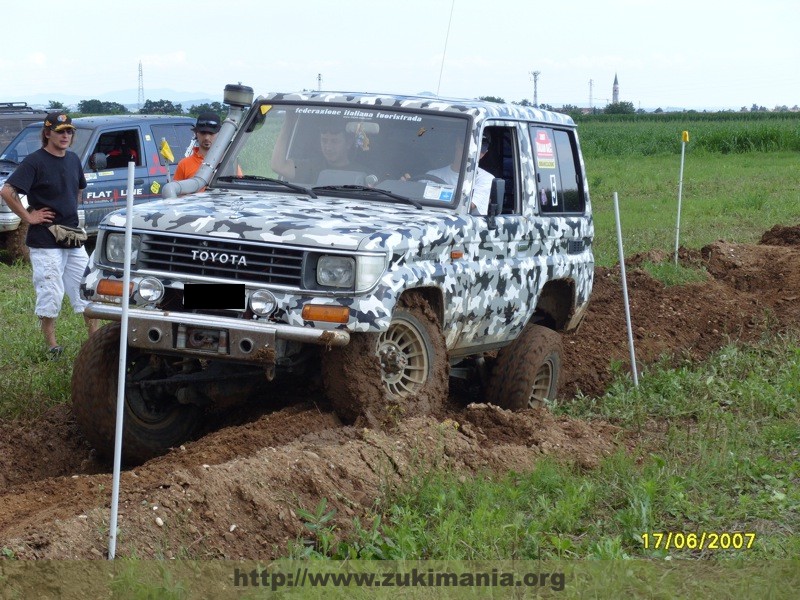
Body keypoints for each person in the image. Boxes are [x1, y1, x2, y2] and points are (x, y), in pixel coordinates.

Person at [0, 112, 99, 358]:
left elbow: (78, 189)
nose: (65, 136)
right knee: (50, 291)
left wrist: (70, 213)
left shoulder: (74, 159)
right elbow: (7, 190)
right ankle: (52, 346)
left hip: (73, 237)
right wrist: (29, 217)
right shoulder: (35, 161)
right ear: (47, 133)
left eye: (69, 132)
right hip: (45, 240)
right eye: (60, 131)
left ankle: (96, 344)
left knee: (86, 289)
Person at [270, 113, 364, 183]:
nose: (328, 147)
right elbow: (278, 166)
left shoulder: (363, 173)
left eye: (334, 141)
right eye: (324, 140)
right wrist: (288, 123)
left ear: (348, 143)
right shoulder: (311, 167)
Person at [426, 133, 493, 214]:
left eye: (478, 151)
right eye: (466, 148)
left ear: (484, 154)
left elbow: (468, 205)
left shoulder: (486, 178)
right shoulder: (431, 175)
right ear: (457, 144)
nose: (470, 154)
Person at [174, 111, 221, 182]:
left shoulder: (227, 164)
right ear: (196, 133)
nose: (206, 138)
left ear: (219, 134)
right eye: (203, 133)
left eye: (211, 133)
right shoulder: (184, 165)